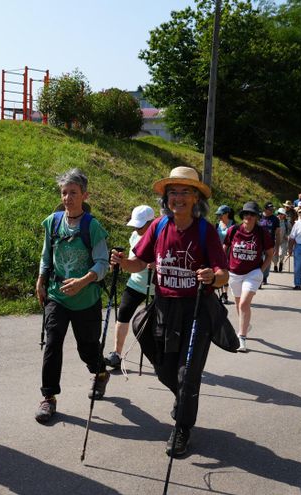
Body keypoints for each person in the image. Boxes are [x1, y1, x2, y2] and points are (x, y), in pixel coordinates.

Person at [110, 166, 228, 457]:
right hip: (164, 306)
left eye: (185, 191)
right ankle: (184, 397)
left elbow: (224, 273)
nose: (178, 197)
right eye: (173, 192)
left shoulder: (206, 231)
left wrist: (212, 277)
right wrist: (123, 263)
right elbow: (140, 261)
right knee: (165, 368)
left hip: (196, 308)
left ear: (196, 198)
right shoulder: (159, 227)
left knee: (187, 374)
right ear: (166, 198)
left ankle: (182, 428)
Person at [34, 169, 110, 424]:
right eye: (64, 192)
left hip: (86, 299)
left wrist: (83, 281)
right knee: (52, 344)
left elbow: (102, 263)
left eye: (73, 193)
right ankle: (48, 397)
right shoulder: (52, 222)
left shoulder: (93, 227)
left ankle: (99, 372)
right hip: (57, 296)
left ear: (84, 195)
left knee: (87, 347)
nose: (67, 198)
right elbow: (47, 255)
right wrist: (41, 279)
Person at [105, 205, 156, 369]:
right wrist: (121, 262)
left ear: (151, 222)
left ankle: (161, 358)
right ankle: (116, 354)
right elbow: (135, 260)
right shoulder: (134, 235)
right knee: (123, 314)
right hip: (136, 282)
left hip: (156, 287)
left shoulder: (161, 237)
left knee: (158, 324)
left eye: (140, 225)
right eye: (135, 224)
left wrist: (157, 263)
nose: (137, 228)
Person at [223, 201, 273, 352]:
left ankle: (242, 338)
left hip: (252, 273)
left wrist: (260, 271)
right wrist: (223, 266)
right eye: (246, 214)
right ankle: (246, 324)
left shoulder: (262, 232)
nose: (248, 216)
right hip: (234, 273)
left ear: (257, 217)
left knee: (244, 303)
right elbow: (224, 249)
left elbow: (270, 254)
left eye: (252, 214)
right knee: (239, 305)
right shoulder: (234, 230)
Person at [214, 205, 235, 303]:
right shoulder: (217, 225)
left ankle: (225, 294)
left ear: (227, 214)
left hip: (230, 253)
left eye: (221, 214)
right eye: (218, 215)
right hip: (218, 252)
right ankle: (222, 293)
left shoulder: (234, 225)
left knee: (226, 273)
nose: (219, 216)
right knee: (219, 272)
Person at [257, 202, 280, 286]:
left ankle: (264, 277)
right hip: (258, 243)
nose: (271, 211)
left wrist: (277, 247)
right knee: (258, 260)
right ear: (265, 209)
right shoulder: (259, 217)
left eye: (272, 209)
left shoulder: (275, 219)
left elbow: (277, 233)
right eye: (270, 209)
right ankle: (258, 277)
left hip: (270, 244)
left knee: (267, 261)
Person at [273, 207, 291, 272]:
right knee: (274, 255)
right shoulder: (274, 221)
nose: (280, 215)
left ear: (284, 215)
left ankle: (281, 262)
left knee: (282, 254)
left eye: (282, 214)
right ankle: (275, 265)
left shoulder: (286, 222)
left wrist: (287, 235)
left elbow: (290, 230)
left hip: (283, 240)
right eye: (279, 213)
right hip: (275, 241)